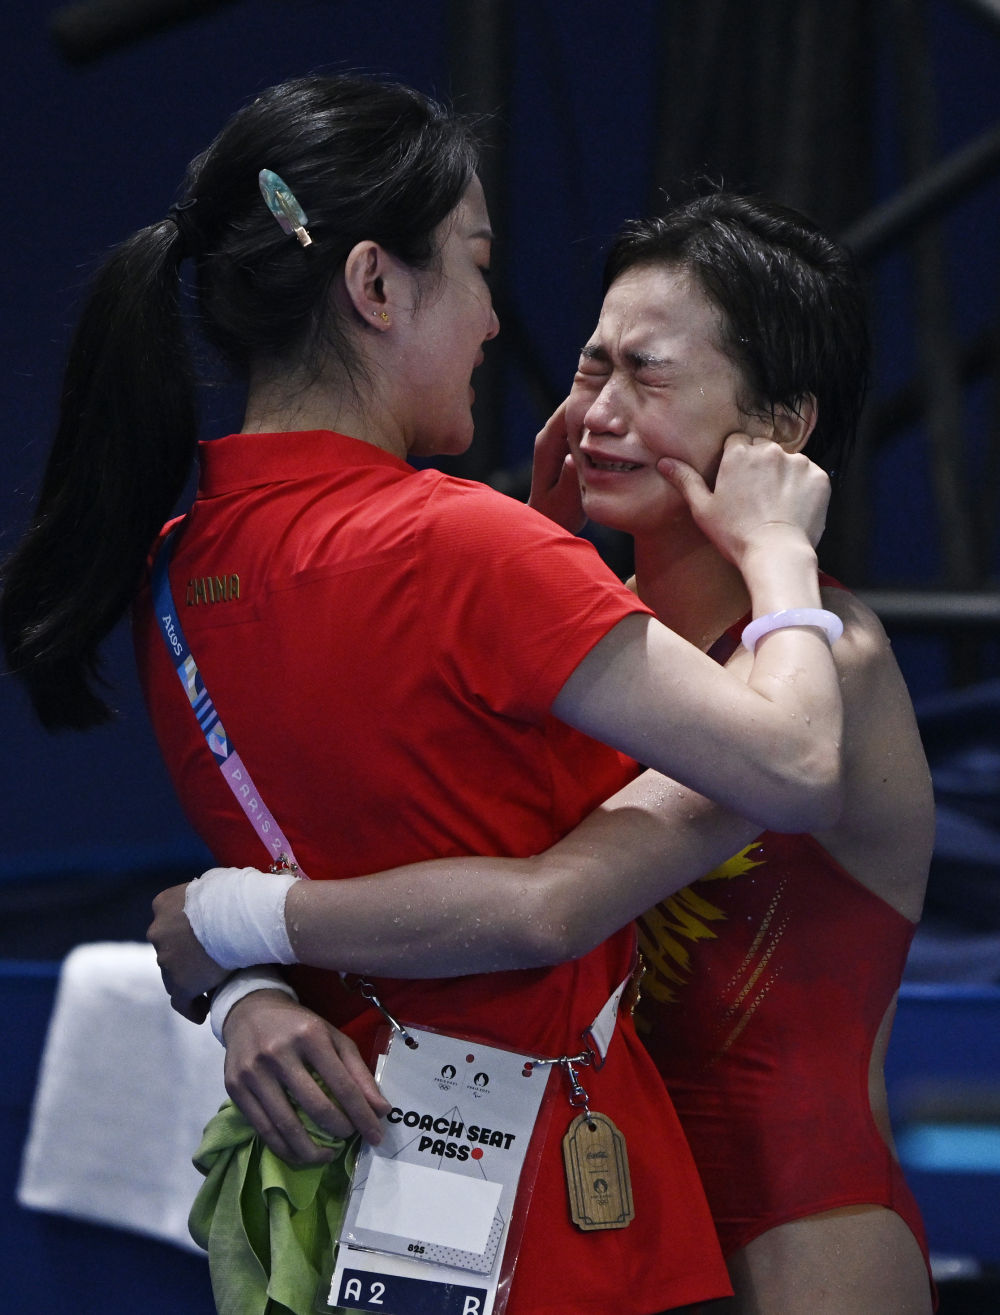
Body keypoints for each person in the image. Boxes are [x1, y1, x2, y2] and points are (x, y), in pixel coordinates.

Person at [1, 71, 847, 1315]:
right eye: (477, 267)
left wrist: (235, 965)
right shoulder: (467, 549)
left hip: (352, 1203)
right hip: (563, 1230)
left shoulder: (174, 570)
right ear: (376, 286)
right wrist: (779, 554)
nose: (496, 322)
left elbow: (367, 806)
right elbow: (798, 767)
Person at [149, 194, 936, 1314]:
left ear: (780, 429)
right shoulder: (582, 648)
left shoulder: (826, 666)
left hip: (799, 1229)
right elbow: (392, 856)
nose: (600, 412)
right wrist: (250, 989)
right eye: (591, 366)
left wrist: (226, 924)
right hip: (582, 1205)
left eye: (648, 375)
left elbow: (547, 904)